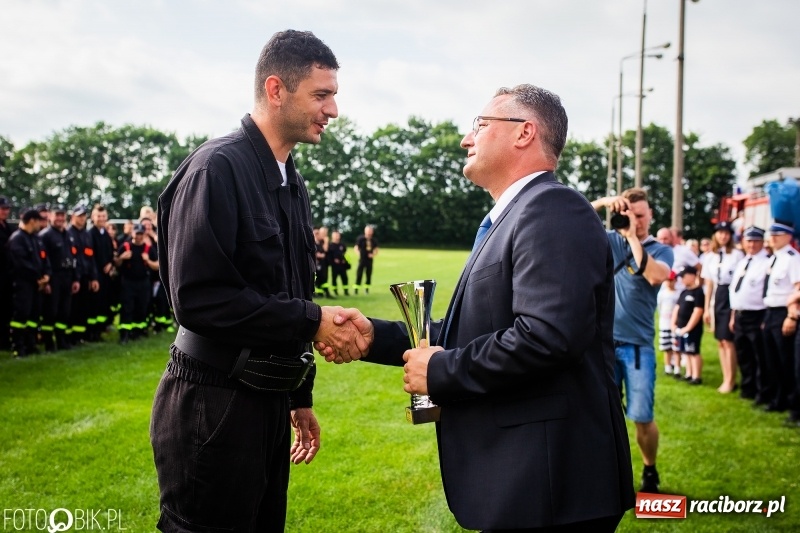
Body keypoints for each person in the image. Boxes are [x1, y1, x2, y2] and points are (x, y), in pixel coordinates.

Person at [322, 84, 635, 531]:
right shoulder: (513, 216)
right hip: (529, 483)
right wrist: (375, 337)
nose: (466, 139)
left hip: (551, 485)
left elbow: (548, 336)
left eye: (480, 125)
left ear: (524, 132)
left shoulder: (553, 208)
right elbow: (474, 329)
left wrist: (441, 370)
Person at [151, 30, 366, 533]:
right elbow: (199, 300)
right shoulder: (216, 168)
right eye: (321, 94)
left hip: (267, 401)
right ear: (275, 90)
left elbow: (289, 292)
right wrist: (313, 321)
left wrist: (299, 395)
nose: (333, 110)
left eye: (333, 95)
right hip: (213, 403)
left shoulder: (291, 180)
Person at [591, 187, 674, 494]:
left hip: (638, 347)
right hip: (604, 345)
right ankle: (607, 474)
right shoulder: (611, 240)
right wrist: (604, 202)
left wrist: (633, 238)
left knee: (642, 416)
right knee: (602, 416)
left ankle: (650, 469)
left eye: (640, 215)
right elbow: (572, 217)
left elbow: (654, 276)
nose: (635, 221)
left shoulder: (661, 249)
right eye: (630, 215)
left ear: (650, 214)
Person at [761, 220, 800, 421]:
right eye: (772, 234)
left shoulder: (793, 258)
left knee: (787, 360)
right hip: (770, 311)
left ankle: (793, 403)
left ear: (788, 237)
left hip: (784, 312)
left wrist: (791, 316)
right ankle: (778, 398)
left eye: (778, 235)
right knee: (772, 359)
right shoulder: (773, 258)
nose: (773, 238)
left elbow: (797, 288)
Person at [701, 221, 744, 393]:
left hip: (731, 294)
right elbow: (709, 284)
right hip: (717, 295)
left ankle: (731, 379)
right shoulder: (710, 256)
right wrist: (707, 308)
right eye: (720, 233)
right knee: (720, 340)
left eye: (726, 233)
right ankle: (726, 377)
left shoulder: (737, 254)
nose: (723, 236)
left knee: (728, 339)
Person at [728, 226, 770, 403]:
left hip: (757, 314)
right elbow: (735, 291)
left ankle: (762, 392)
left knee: (759, 355)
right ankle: (748, 388)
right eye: (749, 241)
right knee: (743, 353)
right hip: (740, 314)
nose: (752, 245)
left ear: (762, 242)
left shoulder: (767, 262)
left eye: (756, 241)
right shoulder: (743, 262)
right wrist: (733, 316)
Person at [7, 209, 50, 357]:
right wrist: (38, 277)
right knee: (21, 314)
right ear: (32, 221)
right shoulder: (17, 239)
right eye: (39, 221)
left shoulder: (36, 239)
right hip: (23, 284)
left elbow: (44, 258)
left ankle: (31, 344)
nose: (41, 225)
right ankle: (18, 346)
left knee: (34, 314)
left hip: (37, 285)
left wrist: (47, 275)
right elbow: (21, 264)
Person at [38, 204, 80, 351]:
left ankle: (62, 340)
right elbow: (42, 260)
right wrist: (47, 280)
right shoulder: (45, 235)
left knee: (64, 311)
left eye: (62, 215)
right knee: (51, 311)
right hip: (54, 277)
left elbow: (74, 257)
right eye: (57, 215)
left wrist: (76, 278)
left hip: (67, 277)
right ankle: (48, 342)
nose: (60, 218)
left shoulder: (68, 235)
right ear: (50, 216)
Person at [114, 223, 158, 343]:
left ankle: (137, 332)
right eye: (136, 233)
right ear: (132, 233)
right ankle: (124, 333)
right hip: (128, 282)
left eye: (140, 234)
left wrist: (148, 260)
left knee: (141, 307)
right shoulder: (125, 246)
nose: (138, 236)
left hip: (143, 282)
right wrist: (122, 257)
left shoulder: (149, 249)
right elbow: (116, 263)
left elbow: (157, 265)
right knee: (127, 308)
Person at [67, 205, 99, 344]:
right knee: (71, 309)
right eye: (79, 216)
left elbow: (91, 258)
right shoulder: (68, 233)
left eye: (83, 216)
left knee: (82, 308)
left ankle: (79, 337)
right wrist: (75, 277)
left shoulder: (86, 235)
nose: (82, 218)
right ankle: (69, 338)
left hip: (86, 278)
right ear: (72, 216)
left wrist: (94, 278)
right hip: (73, 278)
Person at [671, 265, 706, 384]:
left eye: (684, 277)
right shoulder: (684, 292)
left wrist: (688, 328)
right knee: (686, 352)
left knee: (693, 351)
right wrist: (673, 324)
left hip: (693, 329)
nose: (681, 280)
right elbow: (677, 308)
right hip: (681, 328)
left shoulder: (698, 292)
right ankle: (689, 373)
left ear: (692, 276)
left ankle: (696, 376)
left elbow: (698, 311)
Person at [89, 204, 115, 341]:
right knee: (94, 305)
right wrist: (93, 276)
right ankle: (92, 333)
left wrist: (110, 263)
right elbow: (90, 257)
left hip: (106, 276)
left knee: (104, 303)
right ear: (93, 217)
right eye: (98, 216)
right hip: (95, 275)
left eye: (103, 216)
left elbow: (111, 253)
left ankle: (100, 329)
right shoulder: (90, 234)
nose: (101, 218)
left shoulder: (106, 235)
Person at [657, 271, 680, 377]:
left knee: (676, 347)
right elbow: (660, 307)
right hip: (664, 323)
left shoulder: (678, 294)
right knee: (667, 347)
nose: (669, 283)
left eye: (671, 280)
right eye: (667, 280)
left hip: (675, 324)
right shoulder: (662, 294)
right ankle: (668, 367)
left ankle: (677, 368)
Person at [0, 196, 15, 350]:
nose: (5, 211)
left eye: (7, 209)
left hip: (8, 274)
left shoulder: (9, 227)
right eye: (3, 208)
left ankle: (4, 340)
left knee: (6, 308)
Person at [353, 224, 378, 294]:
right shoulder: (361, 239)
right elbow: (356, 248)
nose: (369, 232)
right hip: (362, 260)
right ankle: (356, 289)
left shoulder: (373, 240)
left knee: (368, 275)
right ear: (365, 231)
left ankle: (367, 289)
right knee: (359, 274)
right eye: (368, 231)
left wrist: (373, 255)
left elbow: (376, 249)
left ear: (372, 232)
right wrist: (359, 254)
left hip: (369, 260)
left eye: (370, 231)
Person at [327, 230, 350, 296]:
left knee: (345, 278)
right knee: (334, 278)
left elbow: (345, 254)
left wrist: (345, 261)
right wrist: (333, 261)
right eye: (335, 235)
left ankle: (346, 291)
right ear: (332, 236)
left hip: (342, 265)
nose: (337, 237)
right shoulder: (330, 245)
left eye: (338, 235)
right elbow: (329, 255)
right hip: (335, 265)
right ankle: (335, 291)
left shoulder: (342, 245)